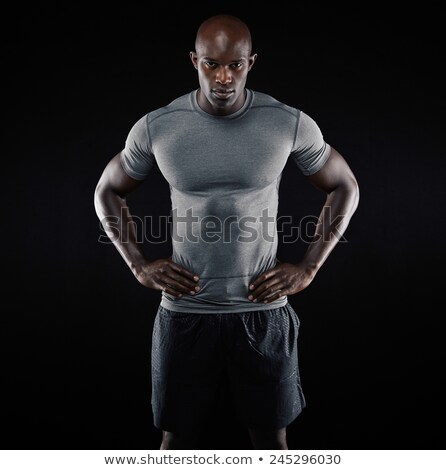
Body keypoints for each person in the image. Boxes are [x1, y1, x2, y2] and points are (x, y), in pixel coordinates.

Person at [94, 13, 359, 450]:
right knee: (176, 445)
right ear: (193, 61)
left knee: (272, 446)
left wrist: (309, 267)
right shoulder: (158, 127)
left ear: (251, 62)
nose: (223, 77)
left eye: (235, 65)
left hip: (263, 313)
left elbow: (344, 185)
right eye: (211, 64)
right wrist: (139, 266)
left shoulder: (287, 122)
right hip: (185, 315)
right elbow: (107, 191)